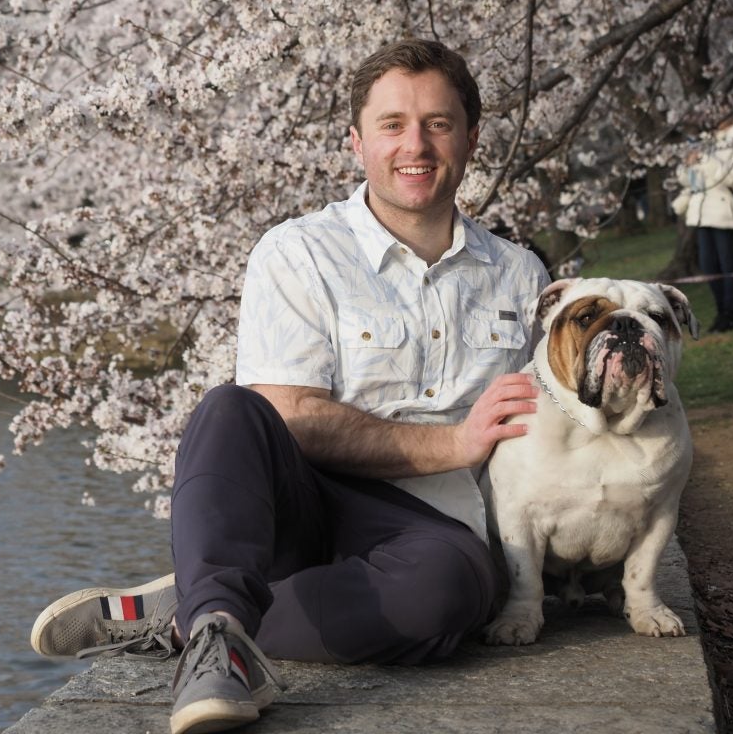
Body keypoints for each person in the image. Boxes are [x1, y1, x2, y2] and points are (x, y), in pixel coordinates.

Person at [29, 39, 551, 734]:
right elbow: (292, 417)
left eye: (438, 122)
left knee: (448, 596)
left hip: (438, 527)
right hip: (302, 503)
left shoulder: (521, 276)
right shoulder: (299, 252)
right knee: (230, 409)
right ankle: (216, 636)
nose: (415, 145)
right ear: (356, 142)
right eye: (392, 124)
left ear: (472, 137)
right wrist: (454, 440)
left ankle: (198, 609)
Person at [672, 114, 733, 333]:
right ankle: (722, 311)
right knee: (709, 266)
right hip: (703, 214)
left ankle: (730, 314)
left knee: (728, 266)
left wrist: (708, 160)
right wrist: (688, 164)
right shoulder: (707, 142)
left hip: (727, 213)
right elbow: (687, 179)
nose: (717, 116)